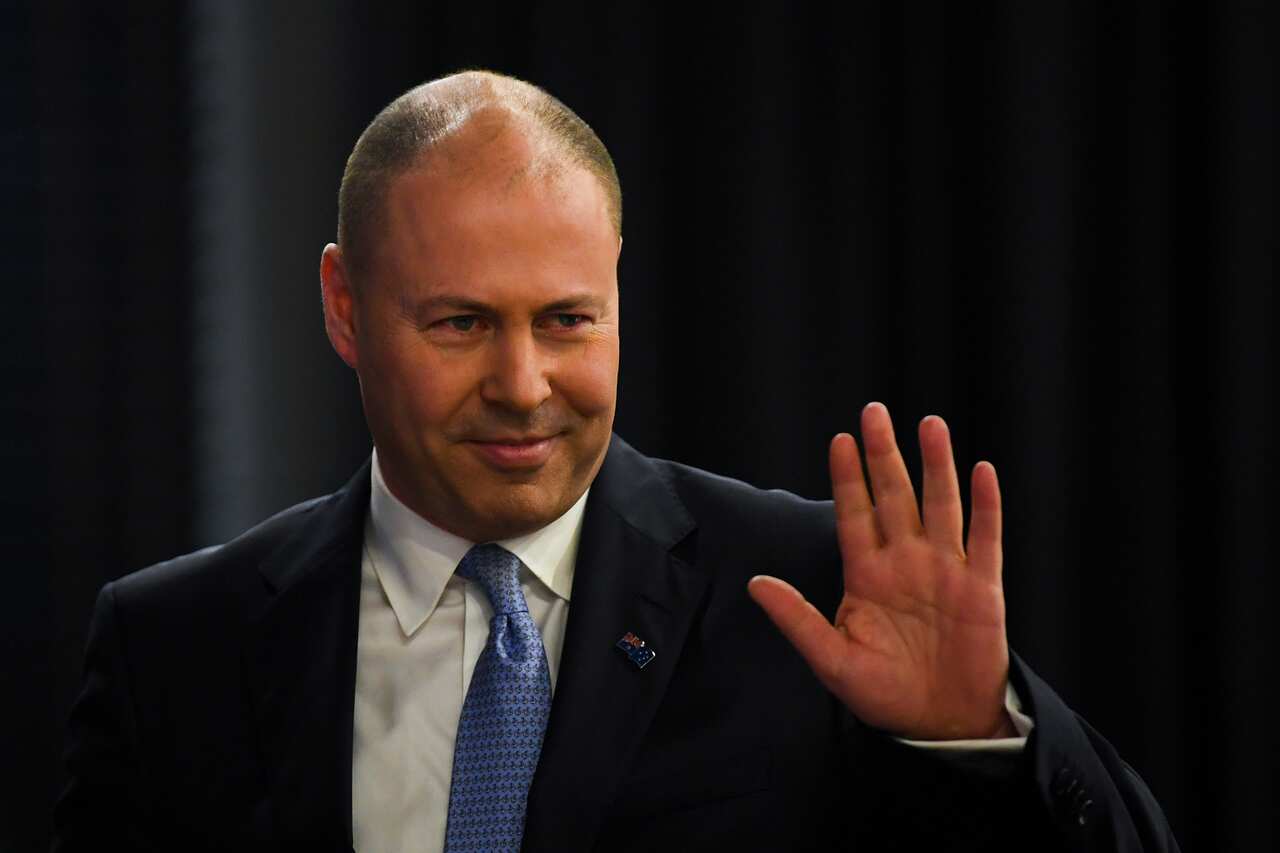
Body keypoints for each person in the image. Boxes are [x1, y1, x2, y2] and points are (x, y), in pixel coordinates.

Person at [54, 70, 1177, 852]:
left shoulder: (813, 594)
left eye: (568, 320)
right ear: (345, 308)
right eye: (457, 323)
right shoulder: (171, 649)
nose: (523, 383)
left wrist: (974, 734)